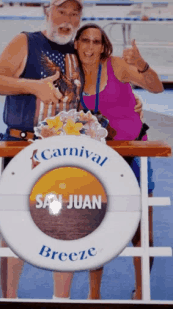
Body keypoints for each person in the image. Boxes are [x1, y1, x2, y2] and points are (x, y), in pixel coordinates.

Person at [0, 0, 143, 299]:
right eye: (62, 12)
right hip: (24, 149)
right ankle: (9, 297)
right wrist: (31, 86)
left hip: (66, 152)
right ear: (48, 11)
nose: (68, 19)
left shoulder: (77, 49)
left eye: (74, 14)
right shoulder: (26, 41)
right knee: (14, 225)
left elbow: (100, 88)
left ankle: (62, 299)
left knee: (68, 226)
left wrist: (131, 101)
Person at [53, 23, 163, 301]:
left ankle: (140, 293)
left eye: (97, 42)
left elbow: (157, 88)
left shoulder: (116, 66)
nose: (91, 47)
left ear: (104, 47)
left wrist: (142, 65)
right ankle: (94, 295)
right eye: (85, 41)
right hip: (97, 160)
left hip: (136, 152)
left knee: (142, 230)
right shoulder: (69, 74)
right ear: (76, 43)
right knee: (95, 227)